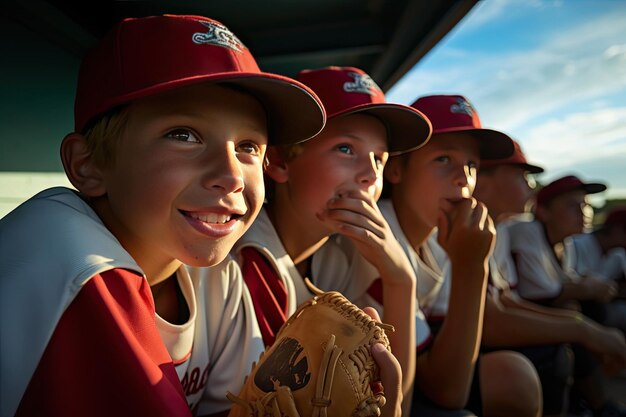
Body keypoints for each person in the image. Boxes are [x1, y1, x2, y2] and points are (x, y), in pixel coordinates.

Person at [0, 14, 331, 417]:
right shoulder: (66, 259)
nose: (231, 177)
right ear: (87, 164)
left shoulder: (218, 274)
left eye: (248, 146)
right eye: (184, 135)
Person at [319, 94, 542, 416]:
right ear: (395, 170)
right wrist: (471, 266)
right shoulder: (373, 235)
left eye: (472, 166)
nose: (463, 179)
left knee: (514, 371)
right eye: (443, 160)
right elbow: (447, 391)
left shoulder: (437, 235)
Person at [232, 66, 432, 407]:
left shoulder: (351, 251)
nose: (370, 174)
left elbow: (396, 399)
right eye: (345, 149)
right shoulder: (248, 257)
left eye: (379, 158)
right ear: (279, 161)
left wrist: (401, 279)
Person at [474, 141, 626, 417]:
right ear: (481, 181)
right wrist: (582, 328)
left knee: (578, 318)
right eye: (522, 176)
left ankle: (592, 405)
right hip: (461, 350)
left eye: (586, 206)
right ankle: (596, 405)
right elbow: (538, 298)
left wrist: (580, 323)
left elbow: (505, 299)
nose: (531, 186)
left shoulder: (502, 229)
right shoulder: (519, 230)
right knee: (559, 345)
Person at [506, 174, 626, 416]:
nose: (584, 212)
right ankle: (597, 404)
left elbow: (564, 282)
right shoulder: (527, 231)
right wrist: (587, 289)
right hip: (512, 319)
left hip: (526, 312)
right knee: (573, 323)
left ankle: (588, 401)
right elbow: (542, 293)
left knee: (586, 310)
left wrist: (586, 287)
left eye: (586, 205)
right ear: (543, 212)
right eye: (573, 206)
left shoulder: (566, 243)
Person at [563, 206, 626, 333]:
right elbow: (571, 287)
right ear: (616, 229)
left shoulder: (618, 253)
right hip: (576, 313)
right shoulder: (577, 243)